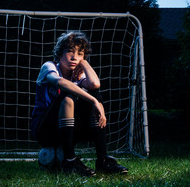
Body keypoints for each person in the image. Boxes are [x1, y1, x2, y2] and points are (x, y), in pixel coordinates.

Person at [31, 31, 128, 176]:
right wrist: (93, 101)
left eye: (80, 53)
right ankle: (69, 161)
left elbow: (95, 84)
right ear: (59, 53)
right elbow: (60, 83)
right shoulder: (49, 66)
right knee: (69, 94)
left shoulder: (77, 73)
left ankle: (102, 160)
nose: (74, 57)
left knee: (94, 93)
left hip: (67, 130)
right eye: (70, 51)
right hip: (45, 130)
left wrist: (84, 63)